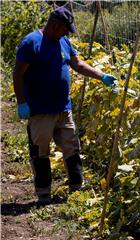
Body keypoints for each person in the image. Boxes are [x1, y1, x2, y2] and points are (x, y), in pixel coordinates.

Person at [13, 7, 117, 204]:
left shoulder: (63, 41)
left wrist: (100, 75)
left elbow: (78, 64)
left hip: (63, 108)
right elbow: (18, 74)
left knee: (72, 147)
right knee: (40, 150)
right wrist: (22, 103)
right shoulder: (31, 43)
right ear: (54, 25)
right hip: (40, 111)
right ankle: (44, 193)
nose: (66, 34)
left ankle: (76, 189)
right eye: (65, 29)